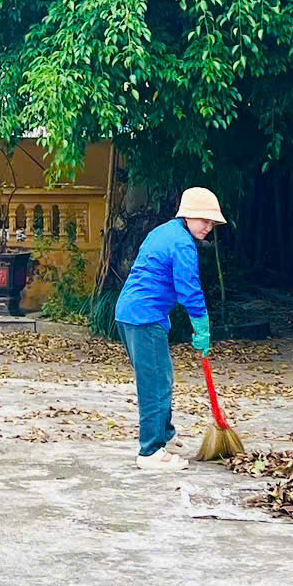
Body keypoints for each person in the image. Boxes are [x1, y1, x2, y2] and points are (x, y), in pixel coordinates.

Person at [112, 187, 226, 472]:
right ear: (187, 215)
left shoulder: (164, 232)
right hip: (144, 317)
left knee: (160, 379)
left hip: (131, 313)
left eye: (212, 223)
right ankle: (150, 451)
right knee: (155, 385)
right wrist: (202, 327)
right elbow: (189, 289)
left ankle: (165, 434)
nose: (208, 227)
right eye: (204, 220)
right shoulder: (182, 243)